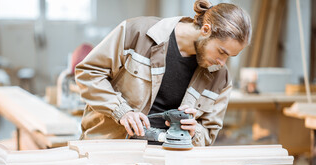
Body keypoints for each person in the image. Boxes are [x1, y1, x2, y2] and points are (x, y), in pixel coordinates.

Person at [75, 0, 252, 146]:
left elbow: (207, 135)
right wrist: (121, 111)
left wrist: (194, 131)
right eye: (222, 52)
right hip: (110, 150)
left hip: (169, 163)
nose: (222, 63)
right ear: (206, 30)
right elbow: (88, 72)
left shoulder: (221, 77)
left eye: (230, 57)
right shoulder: (137, 33)